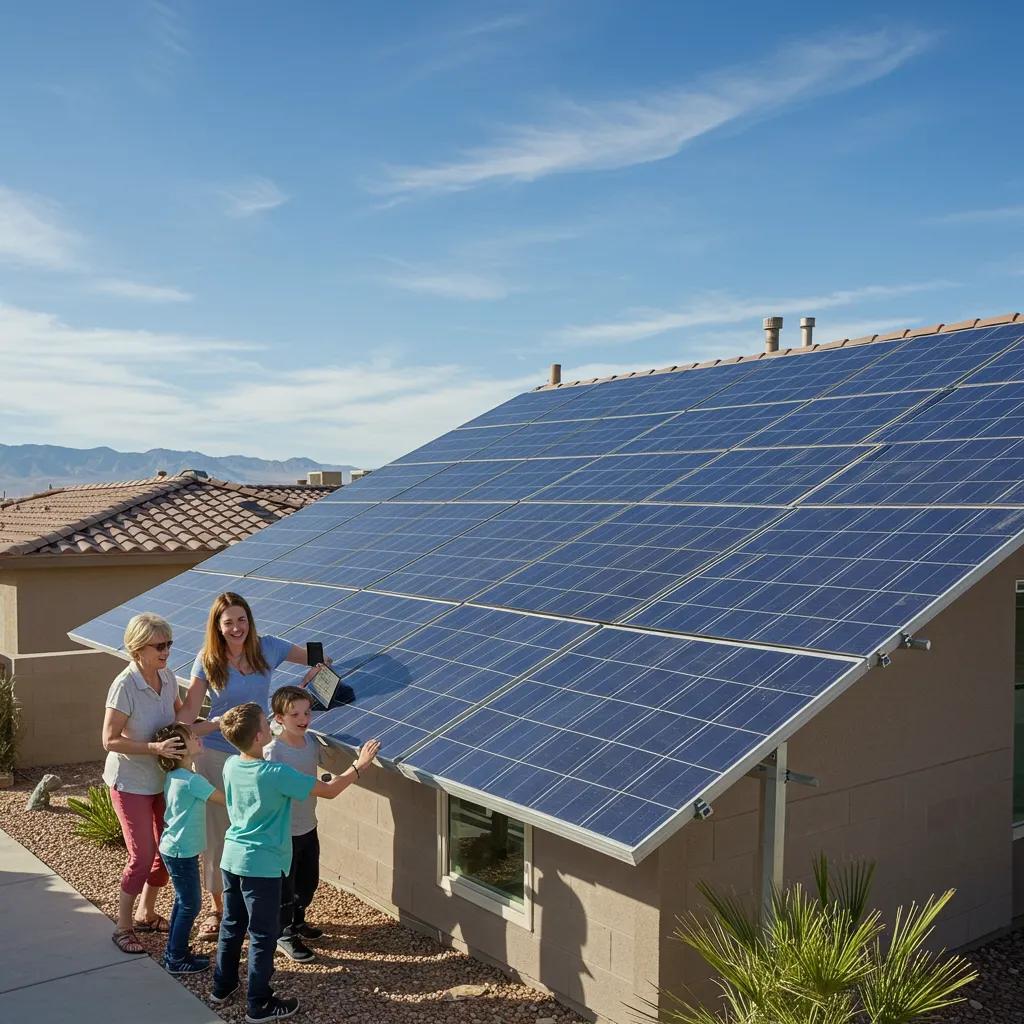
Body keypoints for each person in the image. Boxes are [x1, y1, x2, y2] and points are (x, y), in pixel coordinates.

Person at [175, 591, 330, 941]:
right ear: (217, 625)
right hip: (217, 755)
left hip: (258, 753)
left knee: (261, 830)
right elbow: (189, 713)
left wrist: (318, 672)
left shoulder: (268, 647)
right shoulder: (208, 660)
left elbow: (316, 656)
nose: (236, 628)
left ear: (250, 620)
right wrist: (184, 730)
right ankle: (219, 910)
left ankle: (264, 904)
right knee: (221, 832)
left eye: (241, 619)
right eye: (228, 622)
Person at [211, 702, 379, 1023]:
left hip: (232, 858)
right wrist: (359, 766)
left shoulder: (232, 764)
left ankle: (223, 986)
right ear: (260, 736)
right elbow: (328, 791)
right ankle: (259, 1003)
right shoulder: (275, 773)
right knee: (263, 935)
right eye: (266, 723)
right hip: (262, 865)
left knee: (233, 925)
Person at [101, 612, 186, 954]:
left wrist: (219, 722)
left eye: (169, 644)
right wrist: (153, 747)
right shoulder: (124, 685)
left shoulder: (168, 676)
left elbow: (181, 718)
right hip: (130, 782)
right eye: (159, 645)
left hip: (161, 780)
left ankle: (146, 912)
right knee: (142, 855)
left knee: (166, 852)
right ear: (138, 648)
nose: (166, 651)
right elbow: (109, 740)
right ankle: (122, 927)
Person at [268, 685, 361, 963]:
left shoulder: (310, 743)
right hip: (285, 833)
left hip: (309, 825)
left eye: (307, 712)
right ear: (279, 718)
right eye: (294, 713)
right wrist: (359, 766)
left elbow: (316, 774)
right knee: (286, 885)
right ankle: (283, 933)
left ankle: (297, 921)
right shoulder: (274, 752)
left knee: (307, 882)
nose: (303, 718)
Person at [153, 722, 226, 975]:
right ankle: (176, 957)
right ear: (180, 751)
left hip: (174, 848)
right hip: (181, 852)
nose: (197, 737)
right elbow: (223, 800)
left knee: (182, 901)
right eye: (192, 736)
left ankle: (174, 951)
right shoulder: (193, 781)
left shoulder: (174, 777)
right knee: (191, 904)